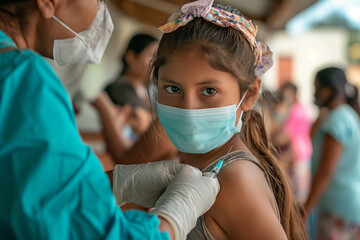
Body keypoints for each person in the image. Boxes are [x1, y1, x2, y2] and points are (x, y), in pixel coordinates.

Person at [0, 0, 220, 239]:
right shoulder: (23, 79)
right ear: (49, 2)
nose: (102, 11)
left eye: (209, 90)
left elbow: (30, 188)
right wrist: (176, 217)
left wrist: (113, 182)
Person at [114, 0, 307, 239]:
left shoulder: (235, 179)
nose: (188, 108)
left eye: (208, 91)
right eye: (173, 88)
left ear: (249, 95)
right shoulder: (196, 164)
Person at [303, 67, 360, 239]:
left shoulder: (337, 120)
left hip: (338, 206)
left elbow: (326, 170)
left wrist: (305, 210)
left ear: (329, 89)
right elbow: (312, 134)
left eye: (317, 87)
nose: (315, 93)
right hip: (346, 203)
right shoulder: (345, 114)